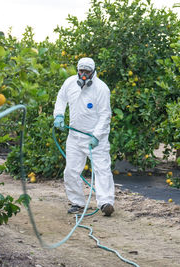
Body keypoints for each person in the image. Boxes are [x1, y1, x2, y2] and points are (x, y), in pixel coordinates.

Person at [53, 57, 115, 216]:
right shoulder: (69, 83)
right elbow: (61, 99)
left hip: (96, 139)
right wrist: (59, 115)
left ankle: (106, 203)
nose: (83, 75)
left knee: (102, 170)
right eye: (81, 71)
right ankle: (77, 202)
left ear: (93, 72)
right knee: (71, 171)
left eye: (87, 72)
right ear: (77, 70)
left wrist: (97, 135)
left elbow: (105, 115)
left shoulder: (101, 89)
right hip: (74, 137)